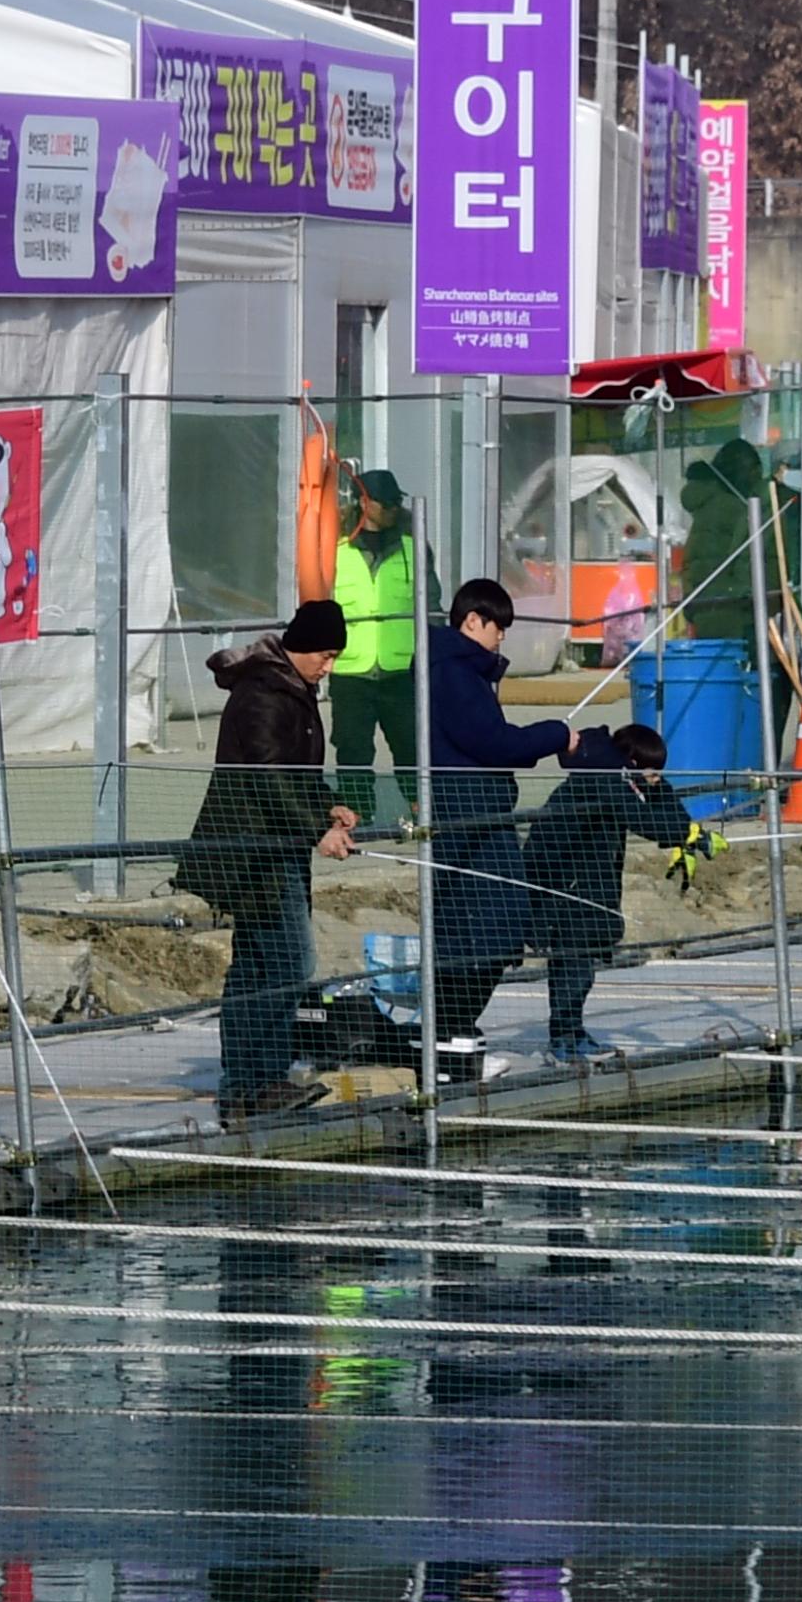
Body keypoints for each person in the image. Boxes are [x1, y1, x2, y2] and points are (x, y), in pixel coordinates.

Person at [173, 601, 357, 1123]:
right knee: (287, 964)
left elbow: (295, 773)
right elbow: (268, 778)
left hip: (275, 851)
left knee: (256, 969)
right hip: (255, 856)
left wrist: (327, 804)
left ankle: (246, 1087)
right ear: (299, 648)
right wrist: (318, 829)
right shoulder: (264, 695)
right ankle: (261, 1080)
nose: (329, 666)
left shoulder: (292, 690)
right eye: (325, 655)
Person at [423, 578, 573, 1056]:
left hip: (479, 809)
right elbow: (491, 741)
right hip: (470, 813)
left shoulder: (460, 669)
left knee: (480, 926)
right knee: (489, 925)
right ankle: (447, 1027)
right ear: (472, 621)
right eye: (498, 626)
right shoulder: (453, 673)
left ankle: (452, 1027)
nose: (502, 636)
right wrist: (554, 734)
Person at [522, 721, 703, 1062]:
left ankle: (573, 1030)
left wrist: (683, 825)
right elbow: (643, 820)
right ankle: (562, 1036)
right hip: (564, 891)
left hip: (590, 888)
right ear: (631, 765)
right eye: (651, 771)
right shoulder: (602, 783)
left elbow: (657, 801)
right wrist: (687, 833)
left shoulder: (613, 777)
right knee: (570, 968)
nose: (655, 778)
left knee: (582, 968)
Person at [330, 469, 431, 821]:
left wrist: (431, 659)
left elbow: (430, 606)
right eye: (386, 503)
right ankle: (357, 814)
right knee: (353, 749)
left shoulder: (412, 547)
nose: (393, 509)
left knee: (411, 746)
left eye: (397, 502)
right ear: (364, 502)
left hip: (399, 669)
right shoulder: (334, 549)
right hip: (350, 670)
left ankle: (423, 811)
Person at [677, 435, 777, 643]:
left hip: (704, 608)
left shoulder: (709, 506)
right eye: (755, 470)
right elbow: (746, 566)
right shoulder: (733, 509)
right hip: (730, 612)